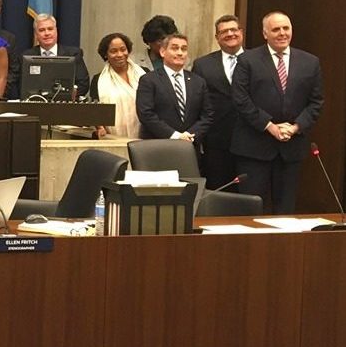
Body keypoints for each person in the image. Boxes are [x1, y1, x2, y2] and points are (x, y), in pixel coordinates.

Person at [231, 11, 323, 214]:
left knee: (285, 211)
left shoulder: (310, 62)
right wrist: (270, 126)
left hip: (291, 149)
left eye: (286, 28)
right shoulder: (248, 60)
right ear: (265, 34)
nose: (282, 33)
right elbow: (240, 99)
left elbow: (316, 102)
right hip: (254, 147)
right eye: (276, 29)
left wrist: (295, 127)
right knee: (252, 210)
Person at [191, 14, 245, 189]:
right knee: (217, 190)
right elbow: (196, 102)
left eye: (233, 29)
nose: (230, 34)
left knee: (248, 191)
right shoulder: (202, 64)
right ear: (217, 37)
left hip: (251, 140)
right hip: (216, 142)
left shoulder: (258, 60)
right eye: (224, 31)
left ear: (241, 32)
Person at [136, 33, 212, 142]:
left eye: (184, 49)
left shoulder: (198, 82)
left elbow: (207, 116)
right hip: (157, 145)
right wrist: (175, 135)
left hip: (190, 144)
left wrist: (189, 135)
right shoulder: (148, 80)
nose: (180, 53)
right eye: (175, 48)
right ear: (163, 52)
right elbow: (146, 114)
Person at [18, 13, 90, 99]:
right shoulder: (26, 56)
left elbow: (83, 83)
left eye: (50, 29)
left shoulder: (73, 54)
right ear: (36, 34)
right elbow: (21, 85)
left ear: (56, 31)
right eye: (41, 30)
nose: (47, 33)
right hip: (36, 105)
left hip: (65, 106)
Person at [90, 33, 146, 138]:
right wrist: (100, 128)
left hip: (145, 136)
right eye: (113, 51)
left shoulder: (144, 74)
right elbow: (96, 110)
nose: (120, 54)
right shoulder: (98, 80)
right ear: (106, 54)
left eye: (123, 49)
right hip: (114, 138)